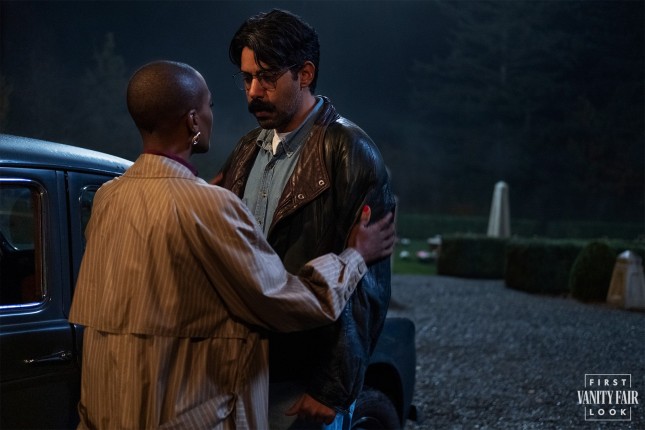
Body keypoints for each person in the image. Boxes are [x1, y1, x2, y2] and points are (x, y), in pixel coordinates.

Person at [68, 60, 395, 430]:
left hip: (107, 411)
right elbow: (284, 301)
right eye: (209, 105)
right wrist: (355, 257)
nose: (215, 113)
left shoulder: (109, 197)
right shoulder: (210, 206)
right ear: (193, 121)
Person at [216, 9, 396, 429]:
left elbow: (368, 285)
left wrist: (332, 386)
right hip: (243, 369)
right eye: (247, 78)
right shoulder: (246, 148)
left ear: (305, 74)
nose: (253, 92)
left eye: (266, 78)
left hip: (304, 381)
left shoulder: (350, 151)